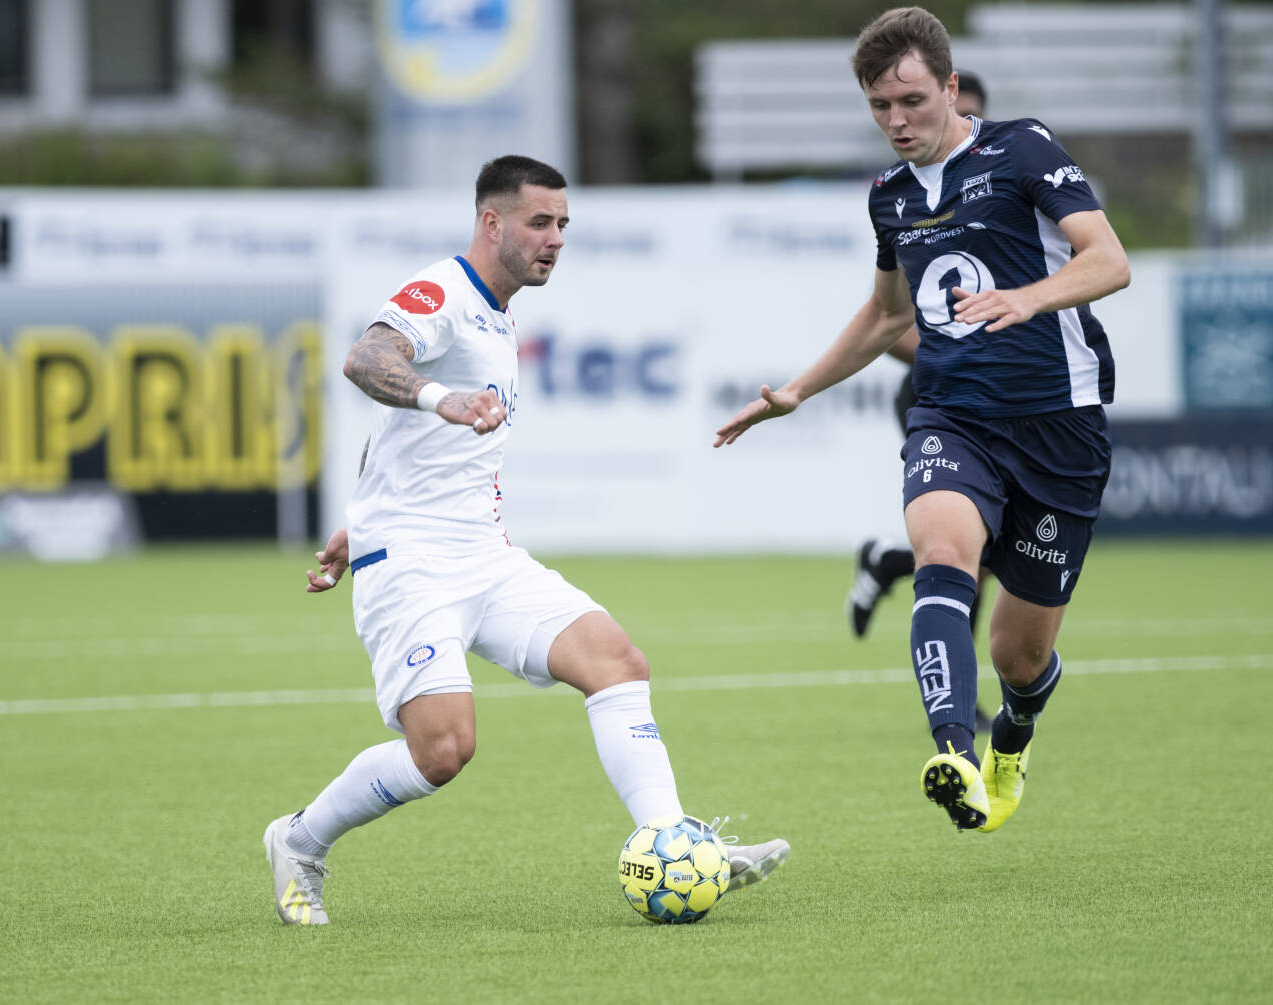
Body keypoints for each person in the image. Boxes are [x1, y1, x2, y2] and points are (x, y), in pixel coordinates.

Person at [263, 155, 789, 925]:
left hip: (483, 553)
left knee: (616, 661)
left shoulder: (499, 315)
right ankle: (300, 839)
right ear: (491, 222)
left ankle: (673, 840)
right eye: (540, 223)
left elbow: (402, 443)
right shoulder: (441, 291)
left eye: (563, 225)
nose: (555, 240)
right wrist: (441, 401)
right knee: (443, 751)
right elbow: (366, 358)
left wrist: (359, 509)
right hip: (412, 567)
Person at [714, 8, 1129, 833]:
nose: (897, 122)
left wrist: (1028, 296)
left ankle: (1012, 733)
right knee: (942, 551)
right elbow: (882, 314)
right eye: (879, 107)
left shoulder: (1022, 149)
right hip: (953, 416)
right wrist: (799, 389)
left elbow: (1108, 260)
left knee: (1021, 655)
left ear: (948, 86)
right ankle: (956, 753)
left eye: (910, 100)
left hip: (1060, 426)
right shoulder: (890, 197)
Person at [847, 68, 994, 734]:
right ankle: (958, 703)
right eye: (887, 105)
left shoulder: (1007, 180)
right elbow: (891, 320)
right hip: (941, 397)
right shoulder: (903, 200)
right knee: (965, 546)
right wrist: (951, 341)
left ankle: (885, 563)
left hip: (1010, 402)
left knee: (986, 551)